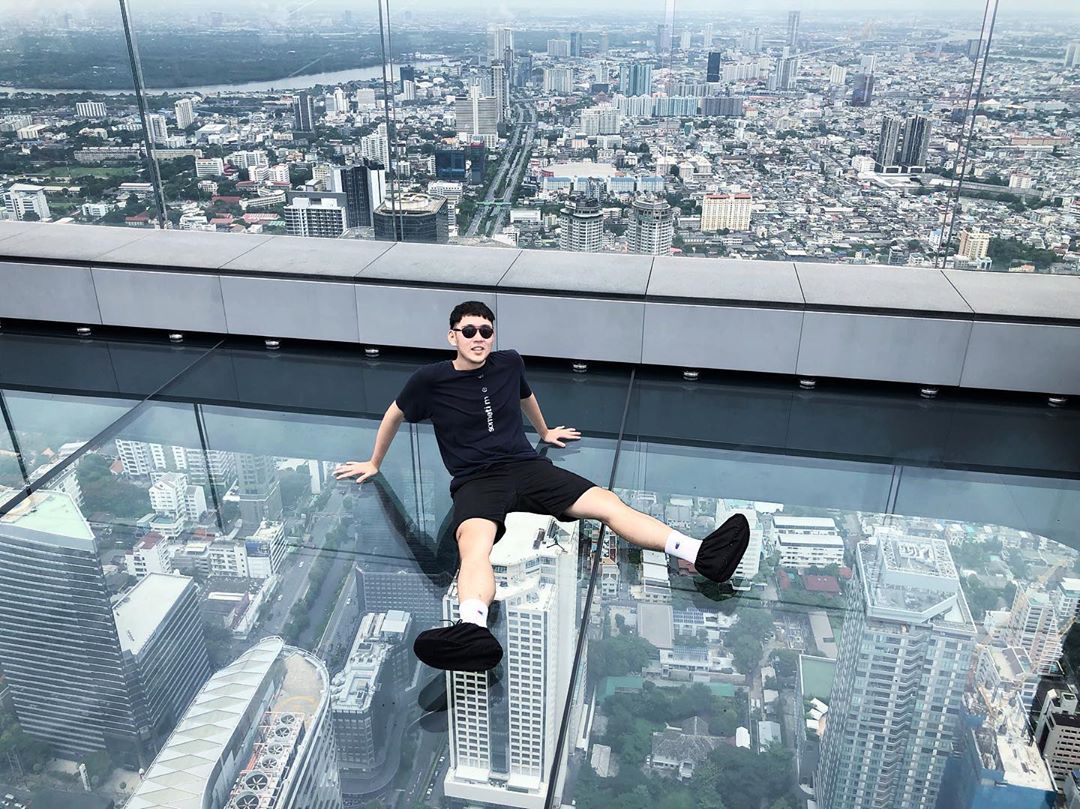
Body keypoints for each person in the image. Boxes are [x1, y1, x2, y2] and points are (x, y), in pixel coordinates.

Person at [334, 301, 749, 673]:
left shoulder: (509, 363)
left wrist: (545, 431)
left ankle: (699, 554)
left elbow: (524, 396)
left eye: (486, 331)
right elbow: (393, 415)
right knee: (473, 546)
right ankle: (472, 629)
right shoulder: (429, 379)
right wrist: (374, 463)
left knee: (607, 503)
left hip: (527, 467)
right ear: (452, 336)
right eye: (469, 331)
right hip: (477, 480)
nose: (479, 338)